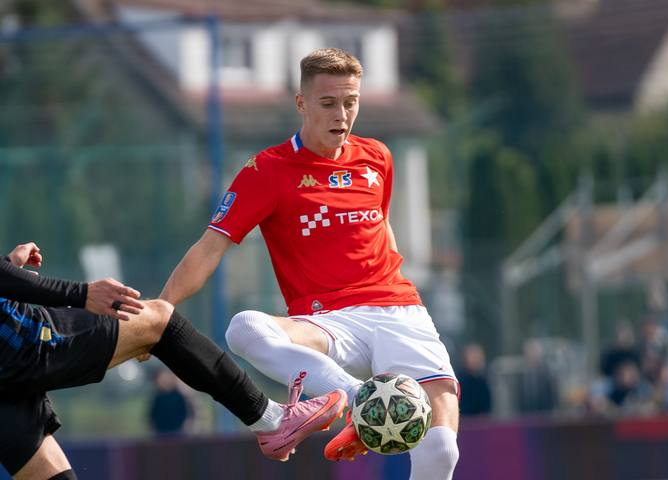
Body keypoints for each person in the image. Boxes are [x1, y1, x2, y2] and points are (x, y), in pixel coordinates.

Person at [160, 48, 460, 479]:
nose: (342, 114)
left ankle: (365, 410)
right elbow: (209, 248)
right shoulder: (267, 170)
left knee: (442, 450)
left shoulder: (377, 157)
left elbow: (381, 227)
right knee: (244, 328)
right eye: (328, 103)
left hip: (398, 312)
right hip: (326, 322)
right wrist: (161, 312)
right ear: (301, 104)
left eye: (351, 102)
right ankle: (359, 402)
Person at [0, 242, 346, 480]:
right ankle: (271, 420)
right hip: (16, 345)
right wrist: (82, 294)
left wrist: (8, 268)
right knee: (158, 320)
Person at [148, 369, 194, 436]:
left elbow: (185, 413)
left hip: (177, 431)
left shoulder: (179, 396)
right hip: (161, 431)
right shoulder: (158, 397)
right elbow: (153, 414)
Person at [456, 343, 492, 415]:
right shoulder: (459, 381)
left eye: (477, 356)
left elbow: (486, 408)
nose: (475, 359)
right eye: (472, 356)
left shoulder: (483, 382)